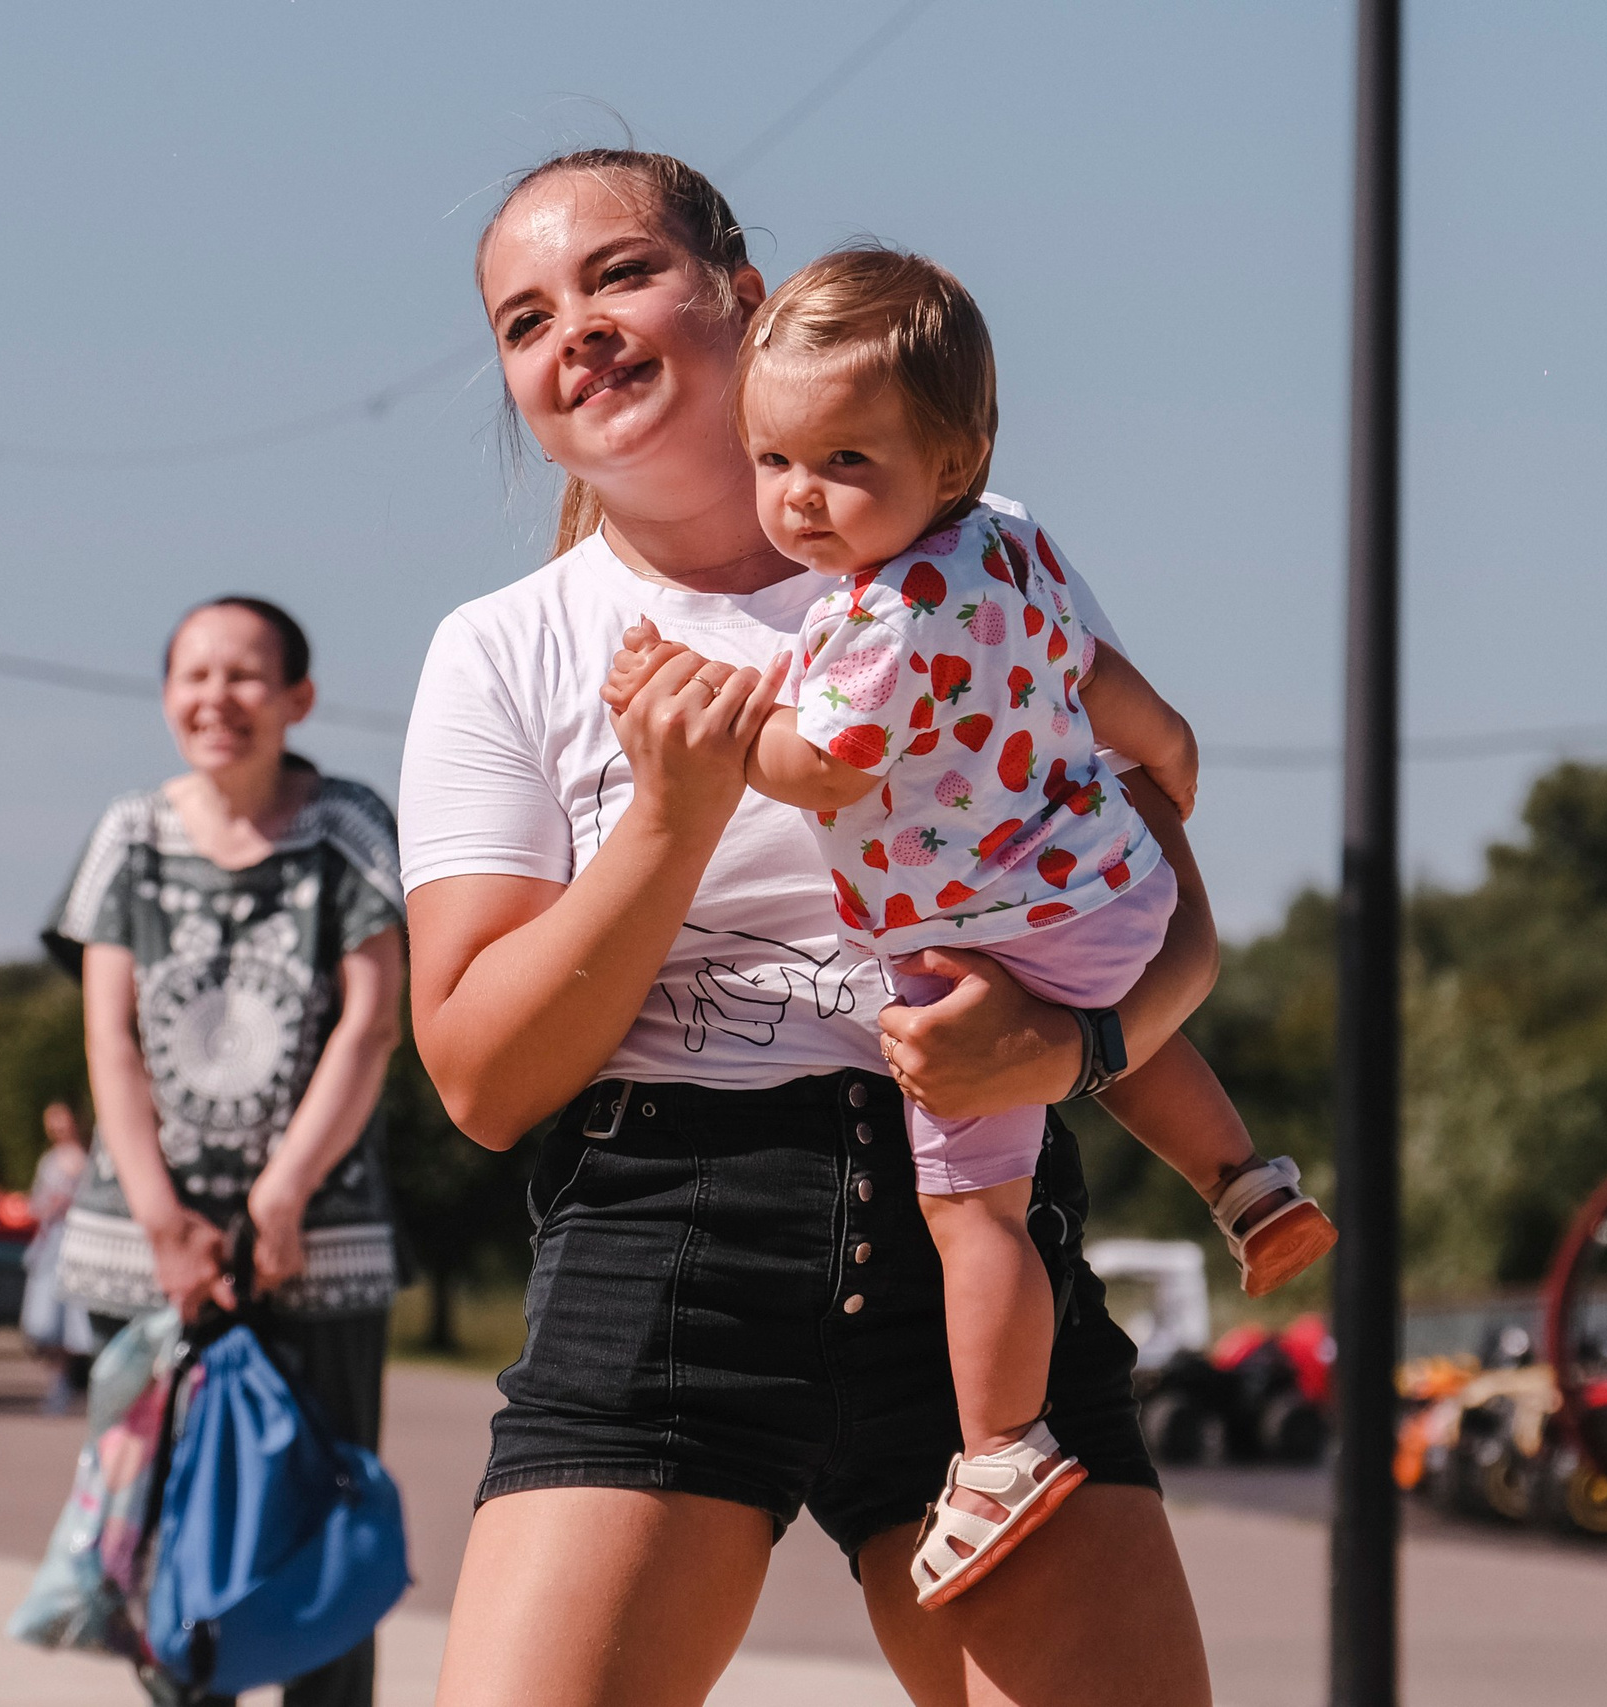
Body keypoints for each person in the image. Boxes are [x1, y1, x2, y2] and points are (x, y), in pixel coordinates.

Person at [401, 149, 1214, 1705]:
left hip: (976, 1254)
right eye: (523, 317)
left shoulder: (987, 555)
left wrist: (1072, 1040)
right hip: (667, 1241)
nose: (573, 326)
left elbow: (1179, 922)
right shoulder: (506, 651)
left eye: (621, 273)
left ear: (748, 301)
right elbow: (484, 1080)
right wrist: (673, 811)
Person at [604, 245, 1334, 1607]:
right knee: (1119, 1041)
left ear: (953, 453)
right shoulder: (1010, 541)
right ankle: (1247, 1181)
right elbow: (1094, 672)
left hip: (972, 941)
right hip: (1110, 885)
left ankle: (1000, 1446)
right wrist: (1166, 736)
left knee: (975, 1216)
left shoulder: (880, 617)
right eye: (775, 461)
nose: (801, 498)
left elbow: (823, 765)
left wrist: (709, 712)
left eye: (843, 463)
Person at [44, 594, 404, 1707]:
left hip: (319, 1237)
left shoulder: (348, 825)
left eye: (247, 676)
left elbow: (373, 1018)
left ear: (298, 697)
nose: (218, 699)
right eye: (194, 676)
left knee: (320, 1527)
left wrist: (285, 1194)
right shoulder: (129, 834)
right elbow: (108, 1034)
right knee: (164, 1528)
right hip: (143, 1247)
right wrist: (160, 1218)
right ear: (164, 697)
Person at [18, 1099, 96, 1411]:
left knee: (81, 1322)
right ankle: (59, 1382)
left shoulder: (91, 1159)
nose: (58, 1128)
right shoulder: (48, 1162)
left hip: (83, 1246)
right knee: (49, 1318)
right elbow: (36, 1205)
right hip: (53, 1247)